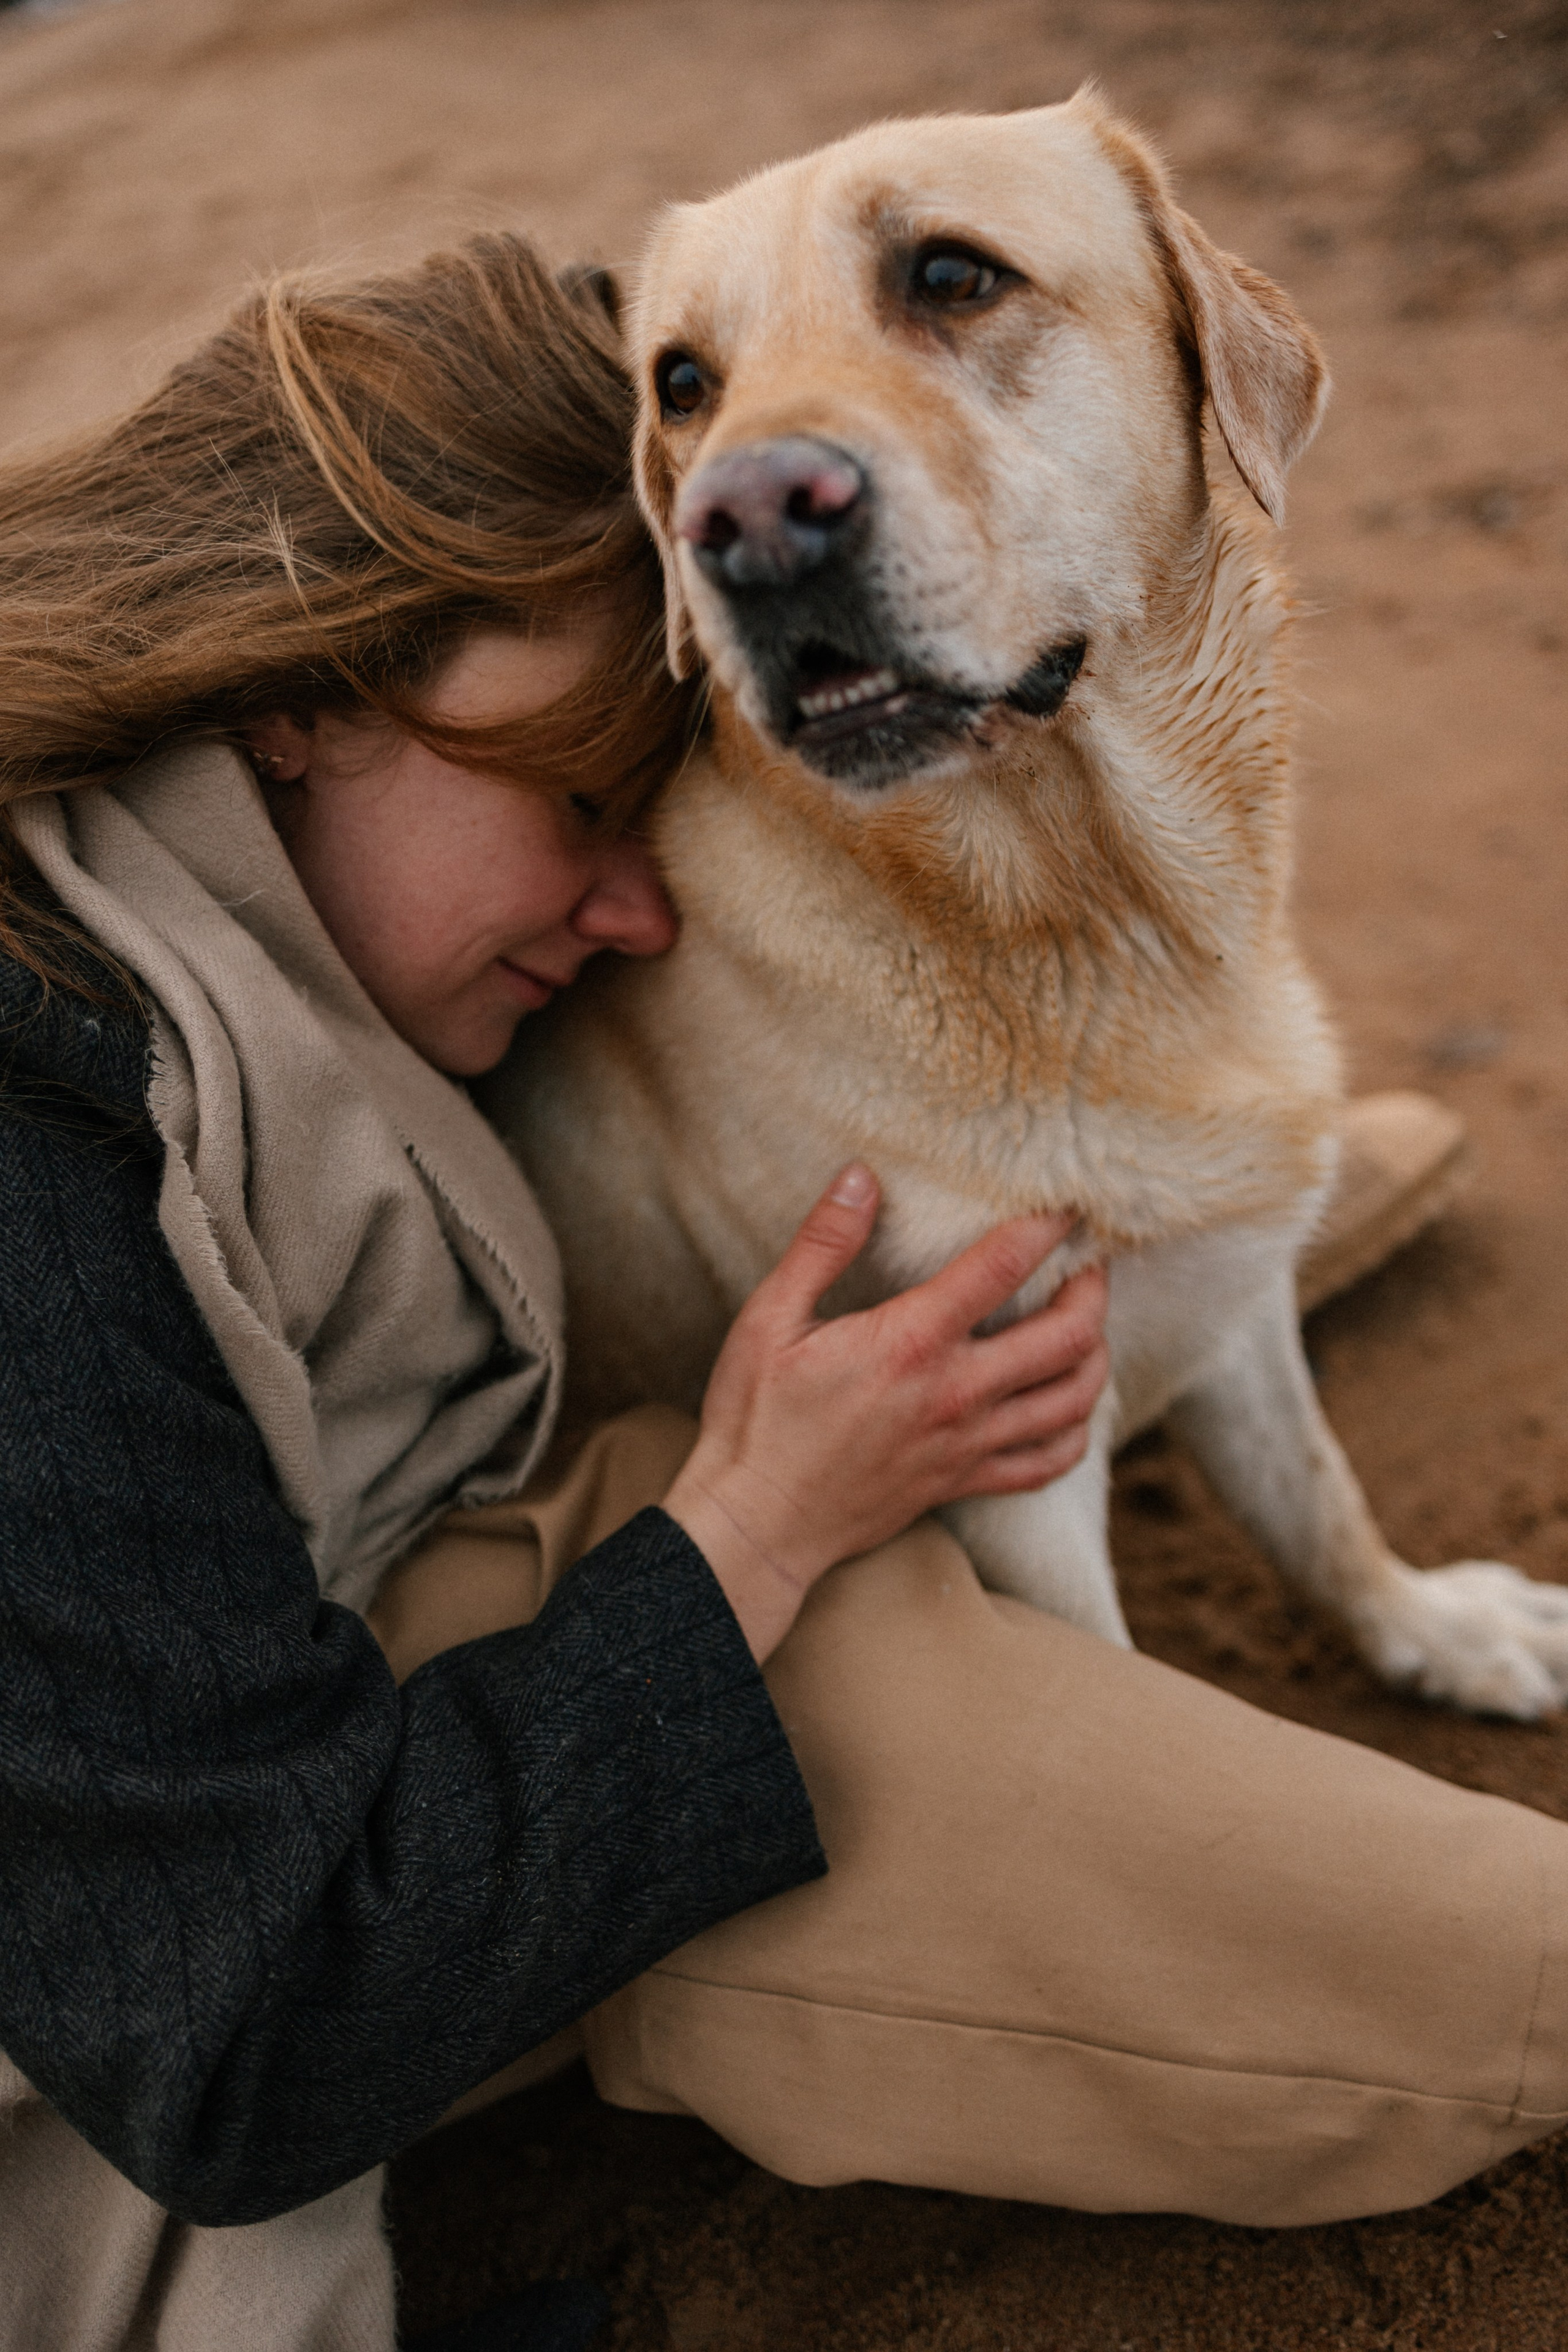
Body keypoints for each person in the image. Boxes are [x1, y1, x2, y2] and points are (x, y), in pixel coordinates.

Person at [0, 234, 1538, 2352]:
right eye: (576, 803)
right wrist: (749, 1534)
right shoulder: (46, 1162)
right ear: (299, 692)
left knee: (1098, 1246)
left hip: (339, 1604)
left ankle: (1171, 1248)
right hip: (212, 1994)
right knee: (1286, 1884)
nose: (639, 906)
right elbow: (250, 2022)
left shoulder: (164, 904)